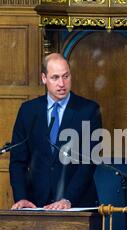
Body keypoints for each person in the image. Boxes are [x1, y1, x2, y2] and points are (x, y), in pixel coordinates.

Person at [9, 53, 102, 210]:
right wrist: (21, 197)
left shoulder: (88, 111)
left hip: (77, 204)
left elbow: (89, 162)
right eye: (55, 77)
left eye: (66, 76)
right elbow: (18, 161)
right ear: (44, 78)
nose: (62, 83)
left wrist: (68, 199)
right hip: (36, 205)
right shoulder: (28, 111)